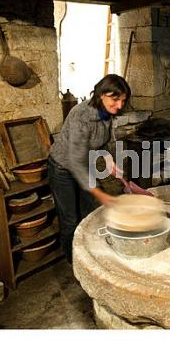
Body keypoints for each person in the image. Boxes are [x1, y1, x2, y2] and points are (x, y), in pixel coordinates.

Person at [48, 74, 130, 262]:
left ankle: (88, 258)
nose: (119, 106)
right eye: (115, 99)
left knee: (89, 214)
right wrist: (100, 194)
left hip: (84, 165)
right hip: (62, 168)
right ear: (101, 94)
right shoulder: (81, 115)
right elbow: (75, 162)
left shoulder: (106, 114)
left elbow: (105, 141)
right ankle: (74, 264)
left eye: (122, 101)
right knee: (70, 220)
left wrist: (110, 160)